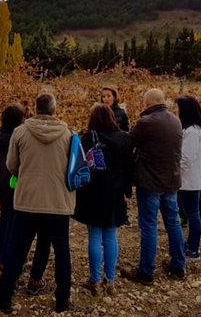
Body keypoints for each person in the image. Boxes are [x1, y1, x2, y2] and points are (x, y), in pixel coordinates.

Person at [0, 93, 75, 314]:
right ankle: (62, 300)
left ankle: (4, 297)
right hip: (58, 203)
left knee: (16, 250)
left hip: (26, 201)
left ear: (35, 109)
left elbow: (11, 165)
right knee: (62, 252)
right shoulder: (68, 134)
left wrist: (26, 175)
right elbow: (73, 168)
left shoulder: (20, 132)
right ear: (54, 110)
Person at [0, 104, 52, 288]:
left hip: (1, 186)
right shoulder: (17, 137)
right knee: (13, 223)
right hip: (15, 186)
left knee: (4, 218)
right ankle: (7, 261)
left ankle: (0, 255)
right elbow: (16, 163)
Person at [120, 89, 186, 284]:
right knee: (172, 222)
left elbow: (127, 141)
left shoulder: (146, 122)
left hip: (150, 181)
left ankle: (146, 271)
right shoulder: (175, 120)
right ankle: (178, 265)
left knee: (149, 225)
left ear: (147, 103)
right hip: (171, 180)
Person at [73, 104, 133, 296]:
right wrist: (127, 190)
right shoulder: (124, 138)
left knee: (94, 236)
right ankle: (110, 281)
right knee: (111, 235)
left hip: (92, 191)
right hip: (115, 192)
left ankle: (95, 280)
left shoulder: (88, 137)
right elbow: (130, 166)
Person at [176, 96, 201, 261]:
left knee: (193, 215)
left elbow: (186, 159)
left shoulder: (191, 132)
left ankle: (192, 249)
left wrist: (174, 169)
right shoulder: (195, 130)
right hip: (193, 178)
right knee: (193, 214)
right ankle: (191, 246)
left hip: (190, 180)